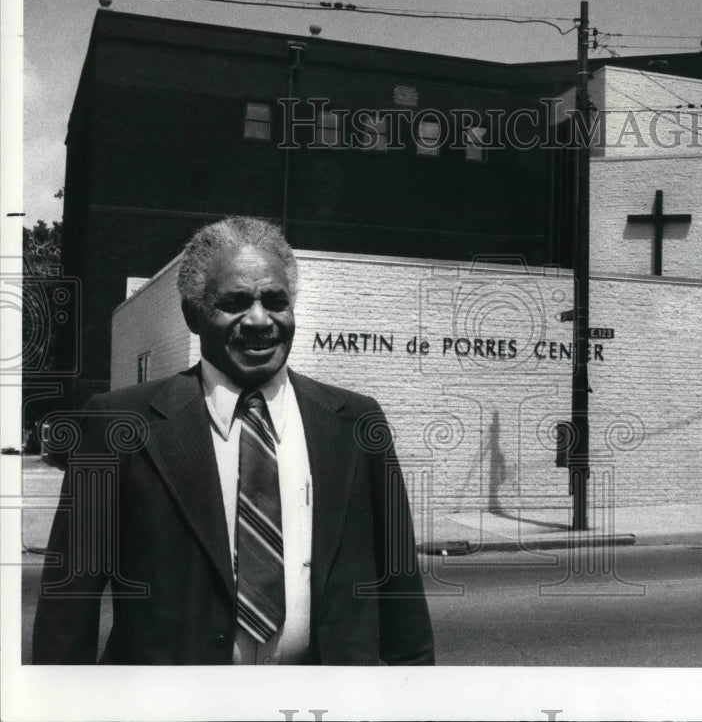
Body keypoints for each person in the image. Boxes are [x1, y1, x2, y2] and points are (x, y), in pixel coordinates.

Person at [32, 216, 434, 665]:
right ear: (193, 314)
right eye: (236, 302)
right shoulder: (116, 425)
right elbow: (67, 612)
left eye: (276, 301)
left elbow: (403, 599)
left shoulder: (357, 423)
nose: (260, 319)